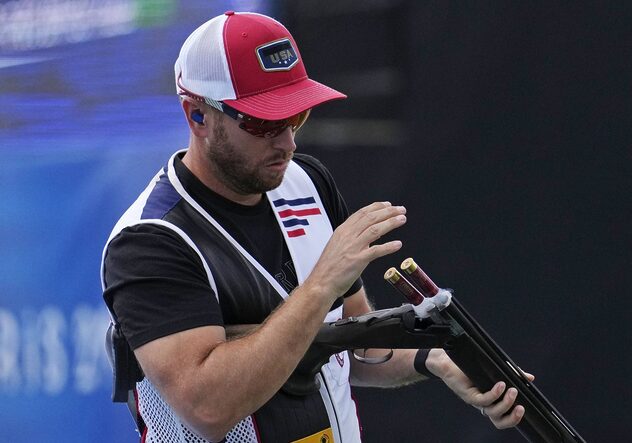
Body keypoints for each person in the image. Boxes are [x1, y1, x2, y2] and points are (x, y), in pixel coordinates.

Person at [101, 11, 531, 443]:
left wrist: (436, 358)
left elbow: (358, 348)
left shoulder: (307, 181)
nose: (287, 142)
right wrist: (321, 285)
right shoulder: (149, 240)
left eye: (296, 117)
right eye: (264, 122)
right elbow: (208, 408)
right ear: (197, 115)